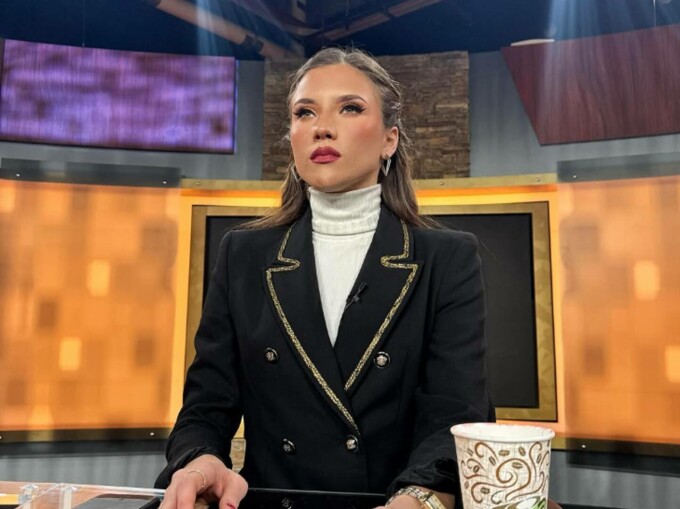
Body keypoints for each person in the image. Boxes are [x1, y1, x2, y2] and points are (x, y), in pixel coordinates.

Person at [156, 47, 494, 509]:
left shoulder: (447, 257)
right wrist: (201, 461)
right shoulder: (244, 255)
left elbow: (455, 415)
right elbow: (205, 407)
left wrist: (417, 499)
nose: (322, 127)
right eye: (305, 112)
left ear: (390, 139)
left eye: (350, 108)